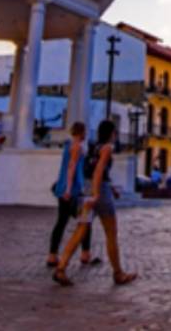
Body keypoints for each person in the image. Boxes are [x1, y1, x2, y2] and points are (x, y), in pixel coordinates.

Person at [52, 120, 137, 287]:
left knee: (81, 228)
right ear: (111, 133)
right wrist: (98, 193)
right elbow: (99, 170)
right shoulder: (107, 148)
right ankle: (118, 273)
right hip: (99, 193)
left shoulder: (92, 147)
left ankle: (61, 267)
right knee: (111, 233)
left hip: (86, 189)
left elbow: (91, 169)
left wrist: (99, 189)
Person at [46, 122, 98, 268]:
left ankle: (52, 255)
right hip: (72, 190)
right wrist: (69, 189)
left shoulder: (68, 145)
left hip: (63, 187)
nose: (86, 134)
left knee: (61, 222)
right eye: (85, 131)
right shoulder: (77, 147)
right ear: (81, 132)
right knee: (85, 220)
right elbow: (71, 168)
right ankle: (85, 253)